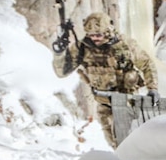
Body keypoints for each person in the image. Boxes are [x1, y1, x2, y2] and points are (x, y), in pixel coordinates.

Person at [53, 11, 158, 147]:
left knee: (125, 142)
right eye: (91, 35)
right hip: (102, 102)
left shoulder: (124, 45)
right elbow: (62, 72)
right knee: (113, 143)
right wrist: (58, 53)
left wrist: (153, 88)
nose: (95, 38)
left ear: (107, 32)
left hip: (125, 100)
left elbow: (147, 64)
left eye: (98, 35)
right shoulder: (83, 48)